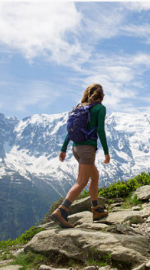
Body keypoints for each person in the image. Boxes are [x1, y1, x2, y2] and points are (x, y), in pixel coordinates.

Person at [50, 84, 110, 228]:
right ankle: (61, 210)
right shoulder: (100, 108)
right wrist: (106, 152)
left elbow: (70, 131)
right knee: (81, 181)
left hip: (76, 148)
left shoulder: (79, 108)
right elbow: (100, 130)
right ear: (101, 96)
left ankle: (96, 209)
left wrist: (63, 148)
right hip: (87, 149)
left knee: (94, 176)